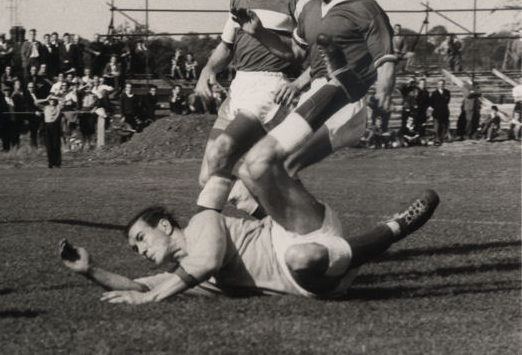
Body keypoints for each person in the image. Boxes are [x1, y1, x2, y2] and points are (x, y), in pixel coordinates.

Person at [60, 150, 439, 303]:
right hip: (310, 277)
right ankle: (387, 232)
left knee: (253, 171)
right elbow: (137, 286)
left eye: (141, 239)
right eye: (135, 249)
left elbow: (207, 261)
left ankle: (393, 224)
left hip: (298, 227)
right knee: (301, 257)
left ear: (164, 225)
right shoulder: (182, 275)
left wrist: (151, 299)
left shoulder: (201, 222)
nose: (140, 251)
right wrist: (89, 270)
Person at [232, 0, 395, 210]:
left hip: (345, 103)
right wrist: (259, 33)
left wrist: (384, 90)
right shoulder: (309, 9)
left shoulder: (365, 7)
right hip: (315, 96)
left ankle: (317, 236)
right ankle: (304, 234)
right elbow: (296, 53)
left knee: (275, 165)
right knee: (257, 177)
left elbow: (385, 59)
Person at [193, 0, 305, 214]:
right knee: (210, 177)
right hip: (238, 86)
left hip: (269, 86)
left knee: (221, 157)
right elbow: (225, 48)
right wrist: (207, 70)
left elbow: (301, 54)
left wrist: (261, 34)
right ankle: (282, 224)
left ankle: (201, 245)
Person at [428, 79, 451, 145]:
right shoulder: (434, 93)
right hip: (437, 113)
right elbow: (431, 103)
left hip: (445, 112)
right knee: (437, 127)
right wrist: (436, 107)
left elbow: (447, 101)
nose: (441, 85)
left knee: (444, 126)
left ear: (444, 84)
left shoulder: (447, 92)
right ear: (437, 85)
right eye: (439, 84)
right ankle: (437, 140)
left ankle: (442, 138)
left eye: (442, 84)